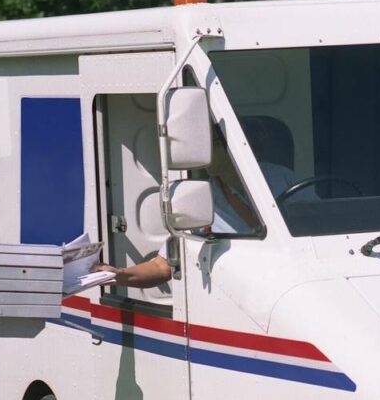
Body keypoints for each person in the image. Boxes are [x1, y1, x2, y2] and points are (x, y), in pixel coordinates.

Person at [97, 116, 297, 288]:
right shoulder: (198, 196)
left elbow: (313, 220)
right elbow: (161, 266)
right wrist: (118, 274)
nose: (204, 156)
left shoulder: (282, 177)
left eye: (211, 146)